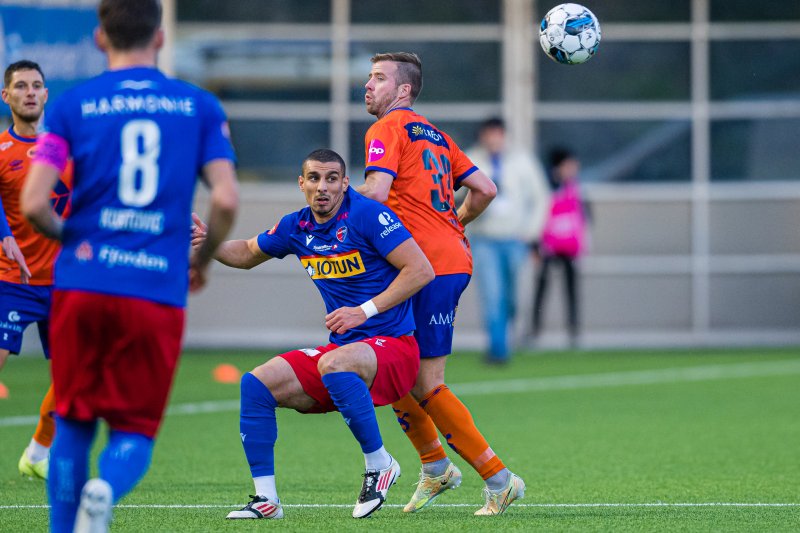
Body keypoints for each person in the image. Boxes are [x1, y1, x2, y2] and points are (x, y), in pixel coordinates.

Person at [21, 1, 239, 531]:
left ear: (100, 38)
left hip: (83, 283)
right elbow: (227, 200)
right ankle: (107, 488)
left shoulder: (72, 106)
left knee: (72, 422)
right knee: (135, 429)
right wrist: (202, 261)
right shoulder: (198, 106)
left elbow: (32, 204)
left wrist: (79, 237)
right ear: (160, 38)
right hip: (155, 288)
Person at [191, 149, 434, 520]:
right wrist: (207, 242)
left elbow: (420, 270)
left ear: (345, 183)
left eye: (332, 178)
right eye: (315, 178)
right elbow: (246, 252)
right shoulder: (296, 226)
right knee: (257, 384)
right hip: (346, 353)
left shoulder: (369, 215)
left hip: (396, 347)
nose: (323, 187)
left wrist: (364, 311)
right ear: (301, 183)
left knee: (335, 362)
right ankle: (266, 500)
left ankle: (380, 464)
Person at [359, 51, 525, 516]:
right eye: (368, 77)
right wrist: (453, 222)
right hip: (444, 259)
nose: (367, 85)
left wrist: (325, 221)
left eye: (378, 78)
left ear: (404, 90)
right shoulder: (435, 134)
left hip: (425, 268)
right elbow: (485, 189)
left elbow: (373, 194)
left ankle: (500, 479)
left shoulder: (386, 129)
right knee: (396, 373)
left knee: (425, 381)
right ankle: (435, 468)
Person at [0, 59, 72, 481]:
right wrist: (4, 232)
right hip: (11, 280)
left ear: (46, 95)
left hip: (63, 283)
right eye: (21, 86)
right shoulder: (2, 150)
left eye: (37, 85)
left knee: (72, 376)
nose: (30, 92)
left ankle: (38, 452)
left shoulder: (63, 150)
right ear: (6, 96)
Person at [465, 117, 550, 364]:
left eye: (497, 134)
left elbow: (541, 198)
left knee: (512, 298)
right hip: (484, 239)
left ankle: (504, 335)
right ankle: (498, 349)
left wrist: (531, 233)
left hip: (515, 239)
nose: (493, 139)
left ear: (503, 135)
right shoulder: (472, 159)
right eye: (488, 134)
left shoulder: (523, 161)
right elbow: (453, 193)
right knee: (492, 295)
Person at [532, 147, 588, 347]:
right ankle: (535, 330)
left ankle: (574, 331)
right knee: (542, 287)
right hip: (548, 246)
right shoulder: (545, 187)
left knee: (571, 288)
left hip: (570, 248)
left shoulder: (575, 187)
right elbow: (537, 215)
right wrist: (536, 245)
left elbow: (584, 216)